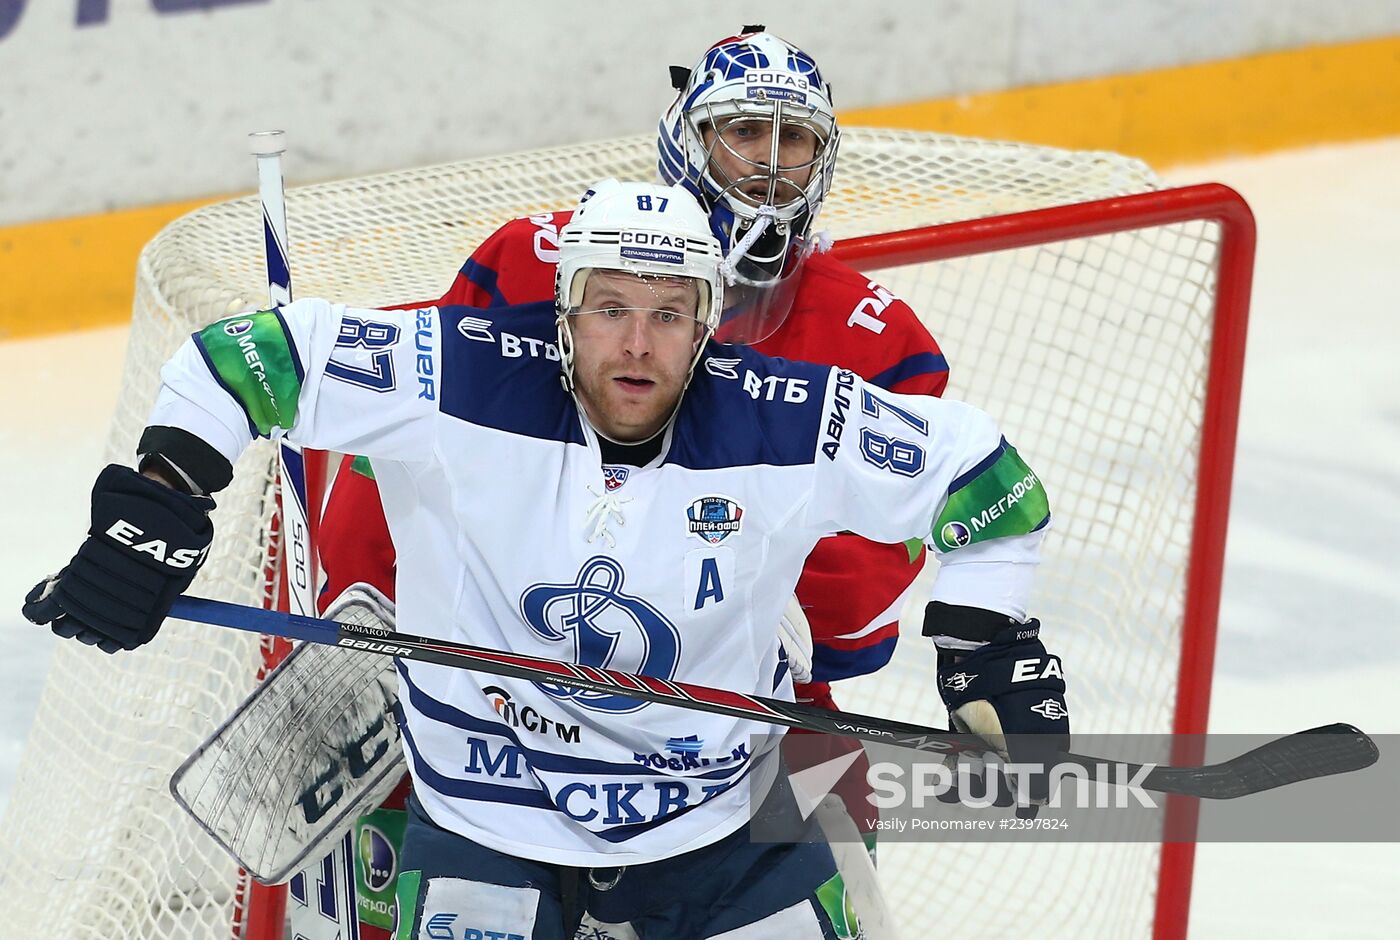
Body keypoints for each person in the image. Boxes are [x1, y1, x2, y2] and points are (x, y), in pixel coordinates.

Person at [23, 180, 1068, 939]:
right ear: (562, 307)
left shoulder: (782, 416)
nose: (636, 346)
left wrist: (982, 642)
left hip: (713, 823)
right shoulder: (460, 371)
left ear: (706, 323)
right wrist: (158, 502)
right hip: (482, 820)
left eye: (669, 316)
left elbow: (989, 481)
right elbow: (246, 359)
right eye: (609, 308)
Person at [318, 27, 949, 857]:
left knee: (833, 858)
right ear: (687, 143)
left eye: (793, 138)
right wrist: (371, 599)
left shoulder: (882, 338)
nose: (768, 162)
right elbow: (412, 435)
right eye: (744, 131)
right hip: (496, 705)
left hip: (745, 721)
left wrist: (757, 615)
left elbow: (888, 542)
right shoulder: (529, 262)